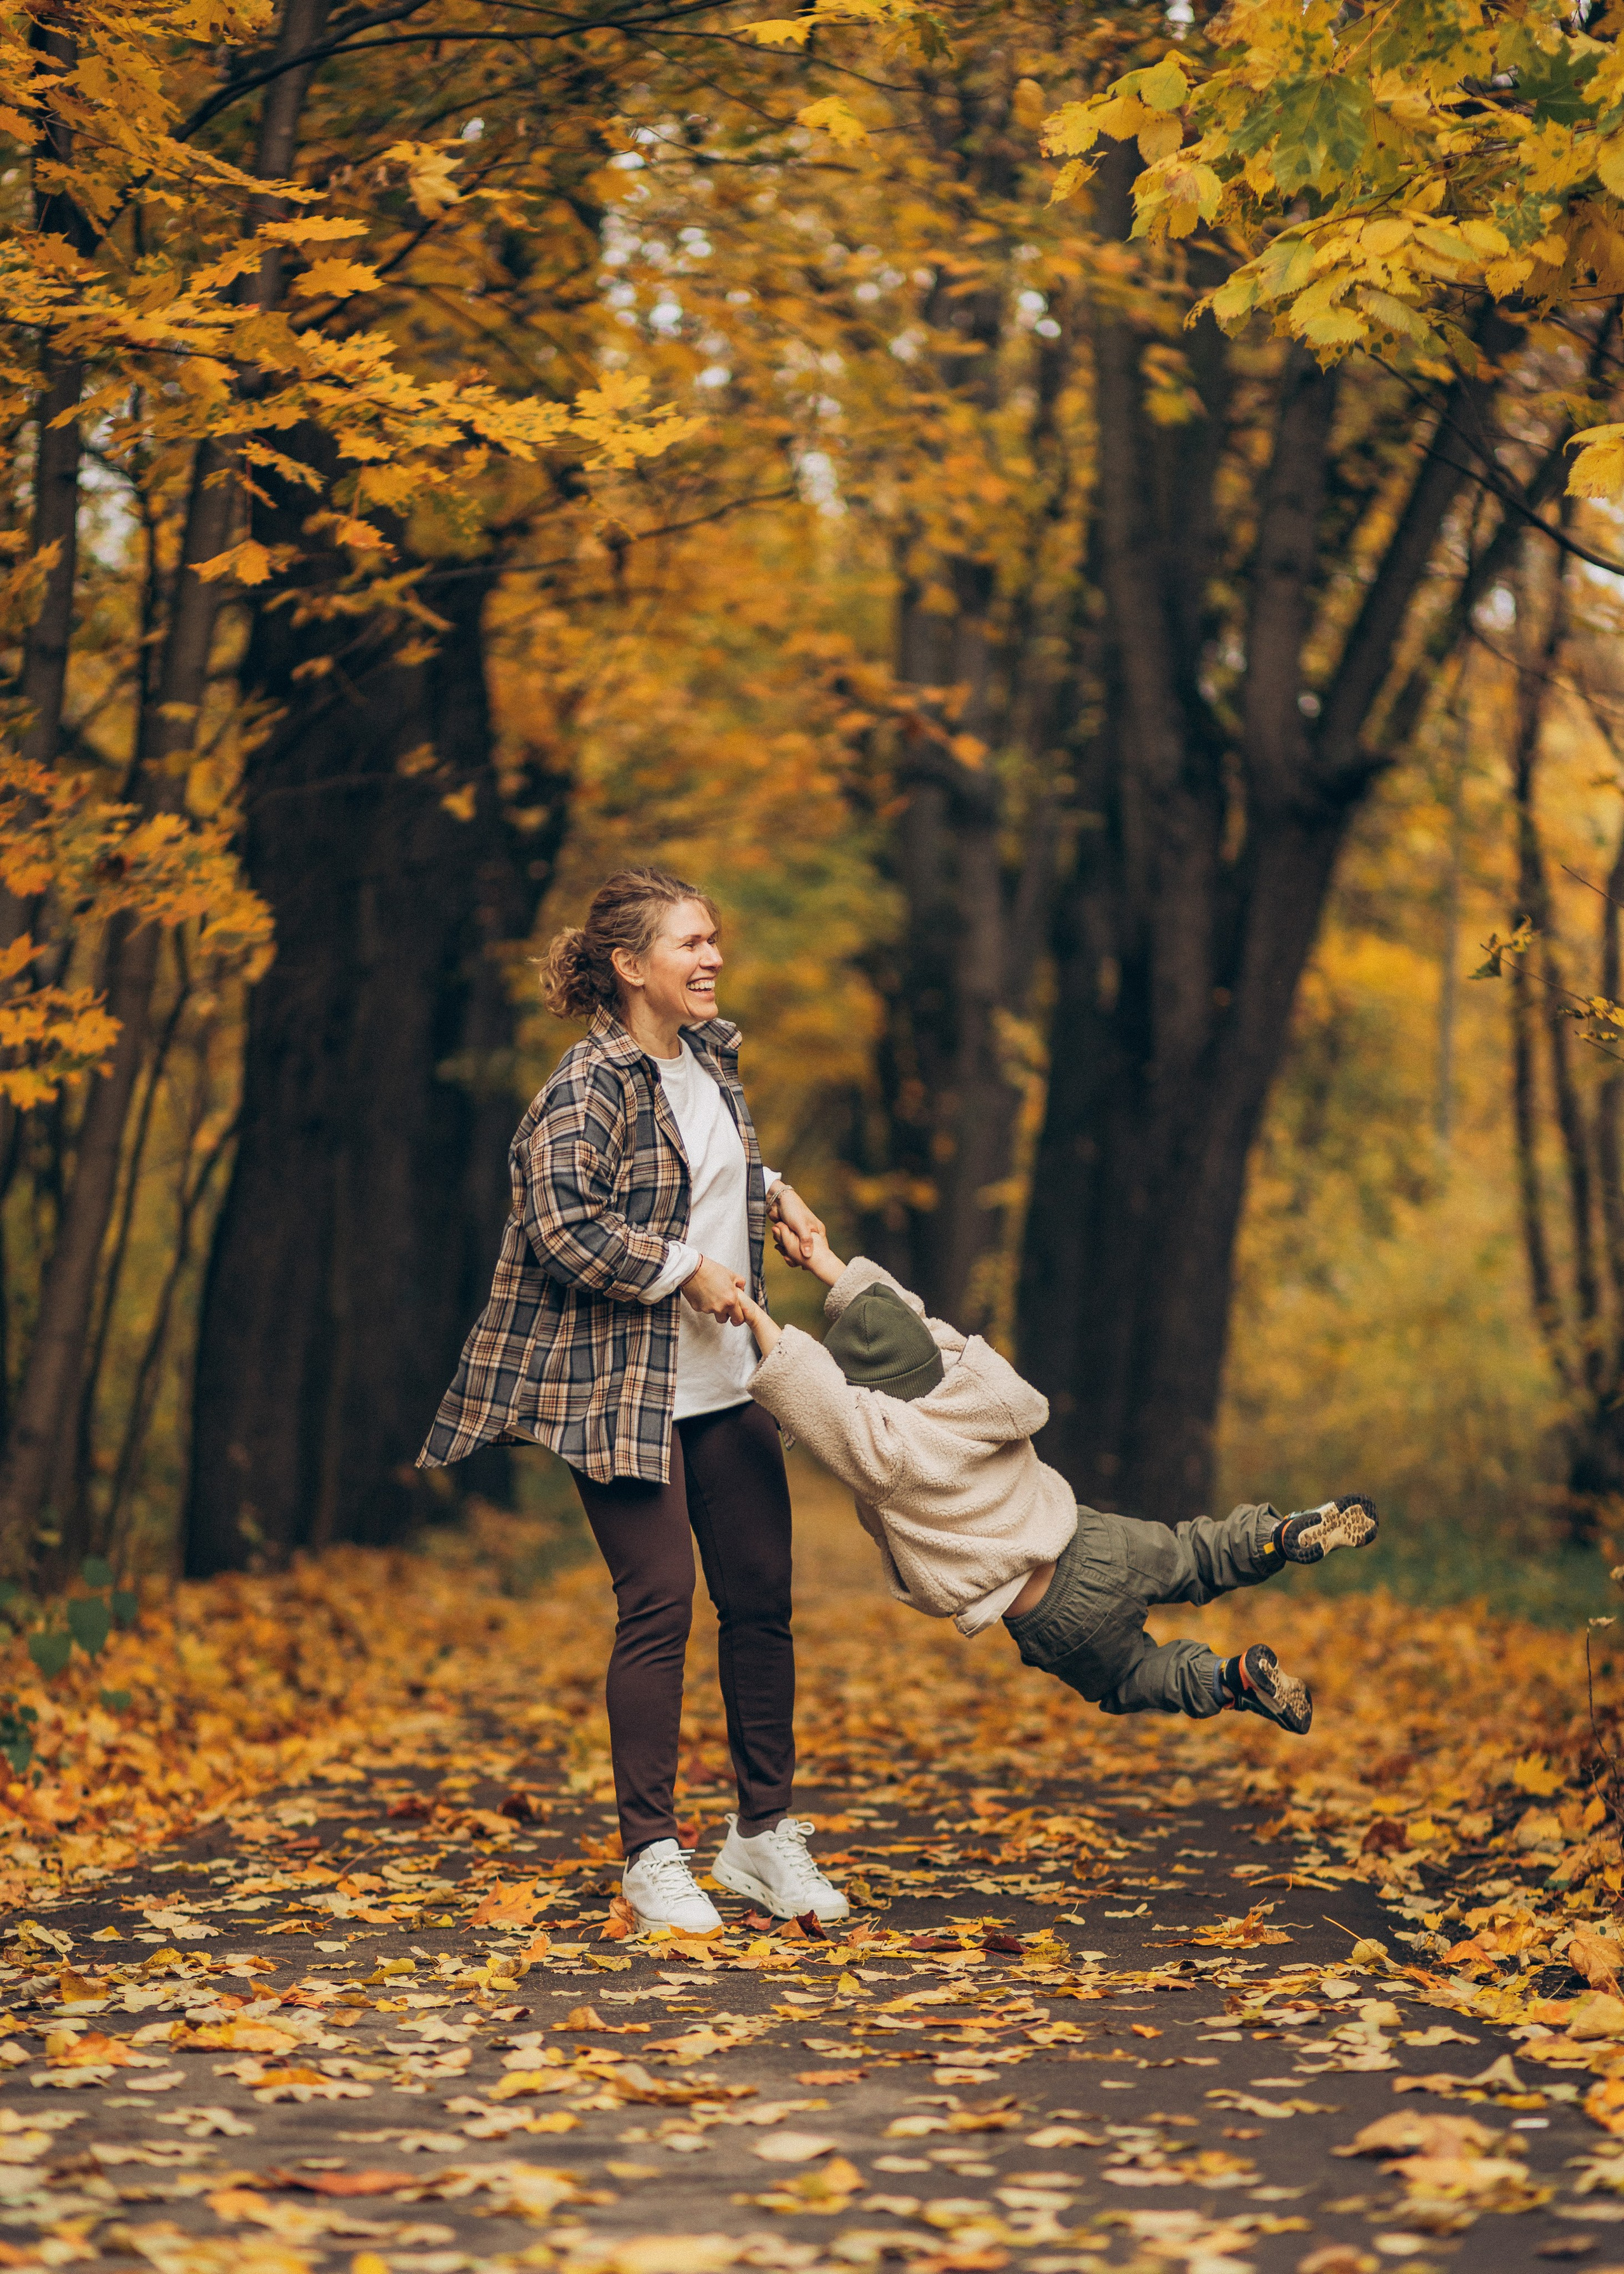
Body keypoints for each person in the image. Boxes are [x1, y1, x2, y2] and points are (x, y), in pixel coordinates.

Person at [419, 867, 848, 1932]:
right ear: (629, 965)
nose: (712, 958)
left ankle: (761, 1836)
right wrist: (679, 1268)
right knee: (658, 1602)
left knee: (760, 1600)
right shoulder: (585, 1084)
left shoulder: (706, 1058)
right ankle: (651, 1850)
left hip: (728, 1378)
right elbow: (561, 1225)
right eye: (690, 943)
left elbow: (714, 1164)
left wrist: (777, 1197)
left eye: (714, 938)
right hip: (622, 1388)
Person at [737, 1240, 1377, 1733]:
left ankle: (1229, 1677)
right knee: (1197, 1551)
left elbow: (814, 1397)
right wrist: (825, 1260)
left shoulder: (889, 1449)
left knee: (1130, 1677)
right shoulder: (973, 1377)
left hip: (1051, 1613)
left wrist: (746, 1311)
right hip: (1094, 1540)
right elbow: (910, 1318)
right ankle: (1281, 1533)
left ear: (864, 1392)